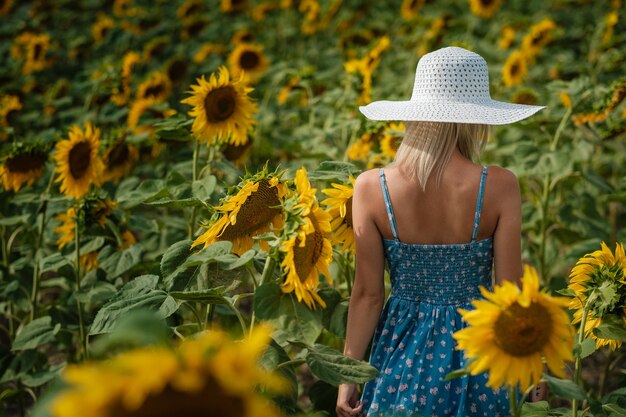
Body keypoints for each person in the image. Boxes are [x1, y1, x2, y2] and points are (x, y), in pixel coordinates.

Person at [336, 46, 547, 417]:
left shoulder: (372, 187)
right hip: (479, 346)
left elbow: (368, 295)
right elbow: (508, 291)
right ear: (476, 119)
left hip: (401, 351)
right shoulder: (498, 185)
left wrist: (347, 376)